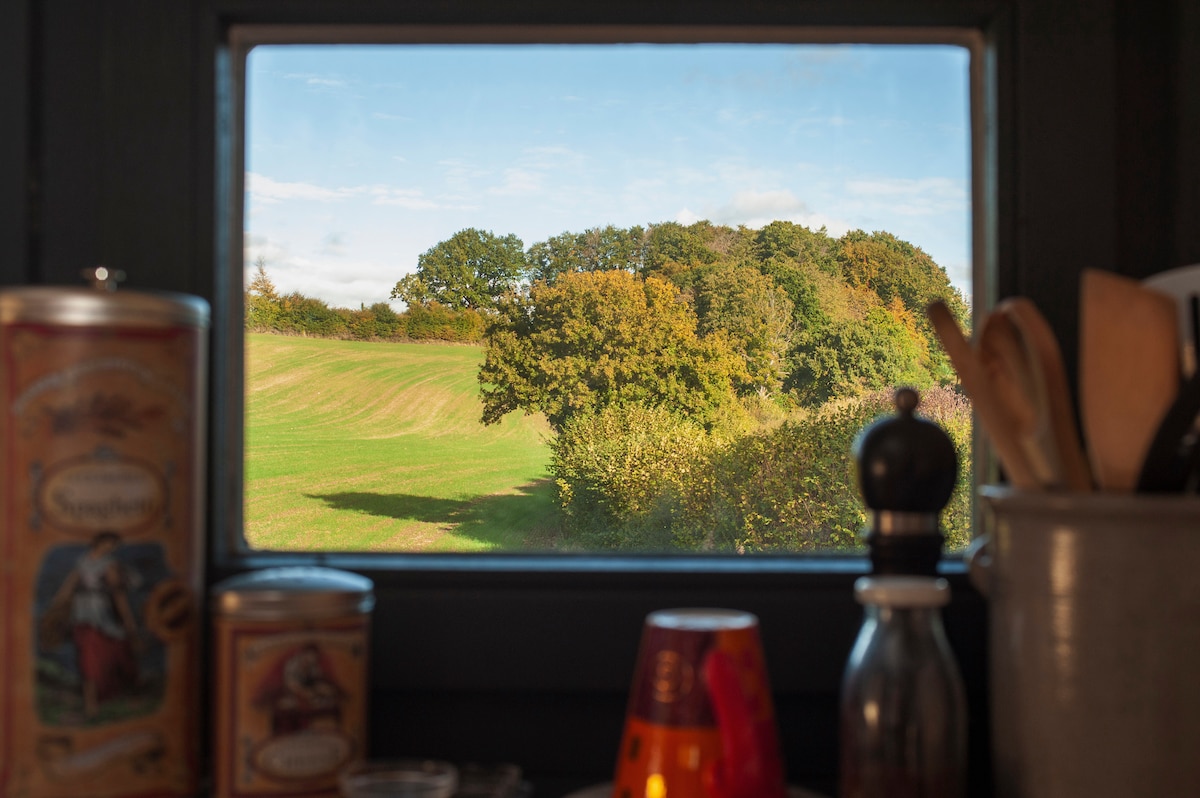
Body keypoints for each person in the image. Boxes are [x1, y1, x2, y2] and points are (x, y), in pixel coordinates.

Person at [46, 532, 141, 719]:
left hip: (102, 614)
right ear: (99, 542)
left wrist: (129, 623)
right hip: (83, 615)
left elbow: (119, 596)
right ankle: (91, 705)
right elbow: (68, 587)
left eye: (113, 545)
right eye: (109, 544)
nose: (110, 548)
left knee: (112, 655)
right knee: (88, 659)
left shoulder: (110, 565)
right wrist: (55, 607)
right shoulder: (82, 562)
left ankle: (109, 700)